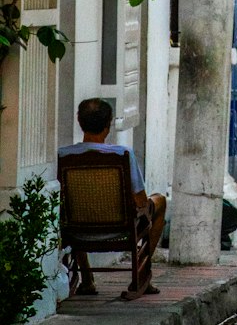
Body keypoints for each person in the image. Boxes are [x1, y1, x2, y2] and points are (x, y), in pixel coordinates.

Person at [58, 97, 166, 294]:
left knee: (77, 207)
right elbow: (140, 201)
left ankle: (87, 277)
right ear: (108, 126)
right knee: (161, 201)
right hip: (120, 227)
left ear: (80, 122)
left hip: (77, 229)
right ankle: (142, 273)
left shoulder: (63, 156)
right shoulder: (121, 154)